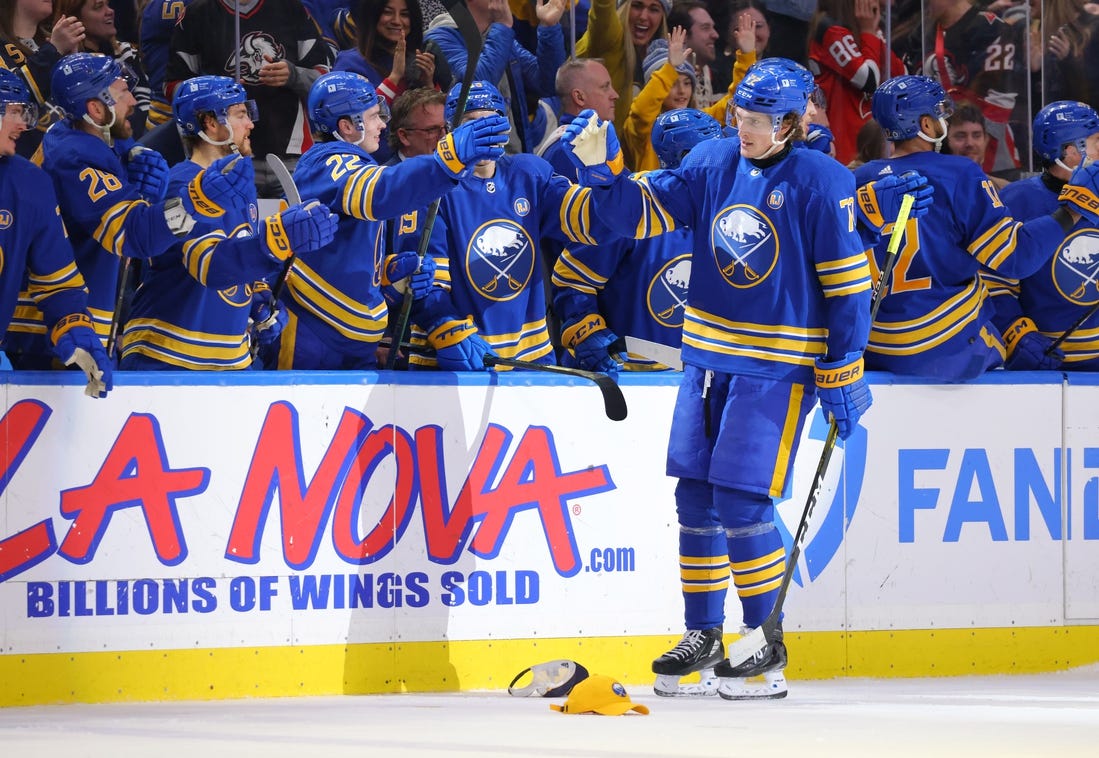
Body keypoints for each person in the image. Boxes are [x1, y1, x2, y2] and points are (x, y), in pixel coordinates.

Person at [559, 58, 877, 700]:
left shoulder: (822, 181)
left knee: (740, 498)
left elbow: (849, 290)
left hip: (777, 368)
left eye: (758, 121)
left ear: (790, 122)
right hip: (706, 361)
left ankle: (763, 644)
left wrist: (843, 369)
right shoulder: (709, 161)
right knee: (695, 497)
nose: (745, 129)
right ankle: (703, 635)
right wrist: (604, 172)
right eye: (740, 116)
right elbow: (632, 216)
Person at [853, 75, 1099, 381]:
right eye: (940, 113)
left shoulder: (858, 178)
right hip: (950, 349)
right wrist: (1073, 209)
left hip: (875, 348)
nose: (944, 118)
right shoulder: (959, 174)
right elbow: (1015, 258)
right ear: (926, 125)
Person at [272, 71, 510, 370]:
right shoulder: (326, 161)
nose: (382, 124)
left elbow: (341, 253)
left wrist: (388, 275)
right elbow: (380, 192)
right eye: (373, 117)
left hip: (349, 339)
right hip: (313, 333)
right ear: (347, 126)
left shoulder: (353, 162)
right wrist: (446, 161)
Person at [118, 75, 338, 370]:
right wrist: (276, 239)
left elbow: (236, 256)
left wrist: (258, 299)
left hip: (224, 359)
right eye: (241, 114)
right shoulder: (182, 185)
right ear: (210, 122)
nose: (251, 124)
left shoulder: (241, 186)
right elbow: (209, 265)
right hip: (168, 355)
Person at [4, 52, 195, 369]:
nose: (133, 101)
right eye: (122, 93)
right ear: (95, 108)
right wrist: (194, 205)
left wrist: (126, 155)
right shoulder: (75, 157)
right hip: (54, 334)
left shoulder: (75, 136)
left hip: (65, 322)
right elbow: (135, 236)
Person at [408, 80, 607, 370]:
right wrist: (444, 327)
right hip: (457, 357)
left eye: (490, 121)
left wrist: (603, 177)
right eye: (471, 123)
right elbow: (427, 282)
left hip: (531, 358)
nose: (483, 130)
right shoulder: (432, 186)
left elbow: (592, 226)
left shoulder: (529, 173)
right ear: (450, 130)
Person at [552, 107, 722, 373]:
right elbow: (572, 280)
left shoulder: (725, 208)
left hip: (700, 374)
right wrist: (586, 331)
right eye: (711, 154)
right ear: (685, 157)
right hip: (631, 377)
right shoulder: (632, 204)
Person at [0, 67, 111, 397]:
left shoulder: (28, 183)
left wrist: (75, 326)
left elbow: (57, 280)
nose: (23, 125)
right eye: (14, 112)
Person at [166, 0, 335, 196]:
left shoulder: (291, 7)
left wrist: (294, 75)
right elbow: (172, 87)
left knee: (297, 224)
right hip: (226, 154)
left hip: (292, 154)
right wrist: (214, 93)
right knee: (237, 225)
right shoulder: (197, 14)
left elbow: (325, 84)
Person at [986, 100, 1099, 370]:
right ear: (1071, 151)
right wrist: (1017, 335)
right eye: (1097, 142)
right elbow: (993, 284)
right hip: (1048, 357)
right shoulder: (1018, 199)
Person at [425, 0, 566, 155]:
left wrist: (549, 27)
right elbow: (476, 87)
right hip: (472, 163)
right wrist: (503, 26)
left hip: (513, 158)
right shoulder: (442, 36)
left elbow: (549, 84)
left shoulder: (500, 35)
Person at [807, 0, 904, 166]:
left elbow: (899, 74)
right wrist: (869, 33)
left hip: (870, 142)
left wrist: (871, 33)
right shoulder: (831, 30)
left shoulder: (870, 30)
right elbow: (868, 80)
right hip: (843, 147)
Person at [573, 0, 669, 153]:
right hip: (591, 155)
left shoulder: (661, 57)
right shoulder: (611, 40)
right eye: (637, 6)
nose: (644, 16)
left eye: (654, 9)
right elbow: (602, 12)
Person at [0, 0, 85, 161]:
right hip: (23, 167)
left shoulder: (54, 41)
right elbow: (9, 100)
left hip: (72, 160)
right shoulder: (54, 45)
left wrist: (73, 66)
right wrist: (54, 50)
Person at [55, 0, 152, 137]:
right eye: (98, 7)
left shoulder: (126, 53)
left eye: (108, 4)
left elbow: (143, 106)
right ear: (74, 20)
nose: (110, 11)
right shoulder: (66, 70)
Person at [624, 29, 697, 171]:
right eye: (672, 83)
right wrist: (669, 69)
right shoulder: (644, 130)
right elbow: (641, 112)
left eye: (687, 83)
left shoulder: (699, 121)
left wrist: (746, 58)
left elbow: (738, 105)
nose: (682, 91)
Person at [537, 58, 619, 181]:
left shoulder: (591, 143)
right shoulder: (568, 152)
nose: (615, 95)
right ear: (579, 97)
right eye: (605, 87)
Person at [666, 1, 719, 108]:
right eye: (705, 27)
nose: (715, 35)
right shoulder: (659, 77)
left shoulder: (720, 78)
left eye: (686, 83)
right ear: (683, 36)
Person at [944, 104, 1009, 189]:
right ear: (946, 141)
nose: (969, 143)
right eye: (960, 136)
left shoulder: (1005, 190)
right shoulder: (936, 190)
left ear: (986, 140)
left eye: (976, 135)